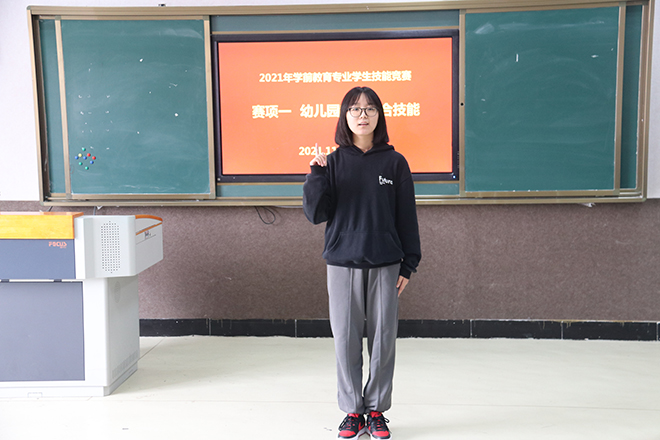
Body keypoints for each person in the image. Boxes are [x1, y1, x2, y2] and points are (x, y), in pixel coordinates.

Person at [303, 86, 421, 440]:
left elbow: (407, 217)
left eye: (370, 109)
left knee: (383, 340)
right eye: (355, 109)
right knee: (345, 340)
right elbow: (315, 214)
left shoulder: (395, 163)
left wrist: (409, 265)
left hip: (386, 263)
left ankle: (377, 411)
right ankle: (353, 410)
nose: (363, 115)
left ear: (379, 116)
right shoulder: (333, 162)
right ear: (345, 116)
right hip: (342, 263)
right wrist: (316, 175)